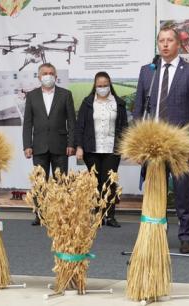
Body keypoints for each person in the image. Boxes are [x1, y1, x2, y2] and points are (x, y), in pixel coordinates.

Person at [133, 26, 189, 254]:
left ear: (178, 44)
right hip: (153, 144)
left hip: (180, 145)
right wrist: (137, 145)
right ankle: (156, 234)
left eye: (169, 41)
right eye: (161, 41)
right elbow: (138, 110)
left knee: (183, 192)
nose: (164, 45)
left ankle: (186, 237)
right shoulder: (148, 72)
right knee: (155, 191)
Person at [22, 63, 76, 226]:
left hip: (60, 145)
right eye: (45, 73)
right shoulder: (31, 96)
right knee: (40, 182)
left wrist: (71, 143)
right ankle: (40, 215)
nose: (48, 75)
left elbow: (72, 122)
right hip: (38, 146)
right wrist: (27, 145)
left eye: (51, 73)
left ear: (56, 76)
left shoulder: (65, 94)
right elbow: (28, 123)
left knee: (62, 182)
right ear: (39, 77)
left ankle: (62, 213)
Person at [74, 71, 128, 227]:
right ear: (95, 86)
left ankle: (110, 216)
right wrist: (79, 147)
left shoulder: (119, 103)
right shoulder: (87, 103)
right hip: (91, 150)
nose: (103, 88)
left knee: (110, 182)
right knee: (95, 183)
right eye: (100, 86)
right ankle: (97, 215)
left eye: (105, 85)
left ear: (110, 85)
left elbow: (124, 127)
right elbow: (80, 126)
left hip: (112, 149)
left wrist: (124, 146)